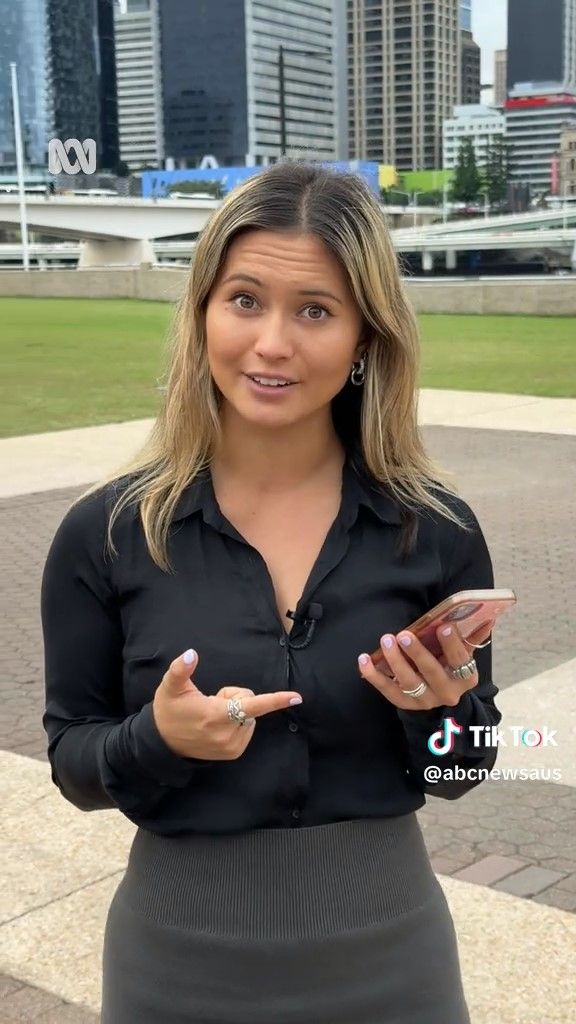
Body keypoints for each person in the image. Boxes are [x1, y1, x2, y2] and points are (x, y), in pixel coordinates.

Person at [41, 161, 502, 1024]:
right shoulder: (105, 534)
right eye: (245, 300)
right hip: (173, 968)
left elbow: (463, 769)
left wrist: (436, 713)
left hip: (393, 962)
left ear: (365, 338)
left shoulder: (436, 530)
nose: (273, 343)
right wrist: (155, 740)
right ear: (202, 313)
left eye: (316, 311)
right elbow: (74, 762)